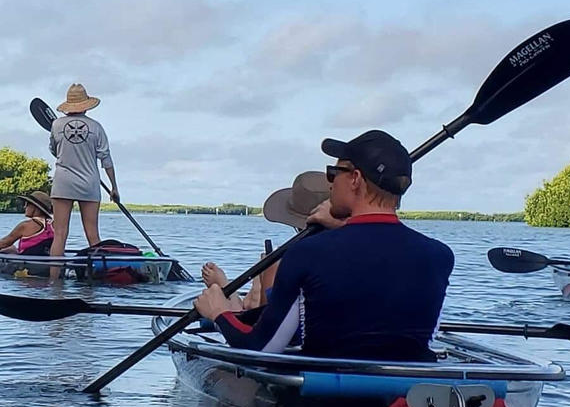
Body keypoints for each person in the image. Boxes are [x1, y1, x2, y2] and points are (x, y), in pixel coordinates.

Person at [191, 130, 454, 362]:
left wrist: (220, 314)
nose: (330, 183)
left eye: (333, 173)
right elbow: (377, 254)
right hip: (412, 403)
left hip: (326, 404)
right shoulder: (440, 255)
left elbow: (262, 347)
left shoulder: (307, 254)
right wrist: (342, 228)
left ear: (355, 179)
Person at [45, 84, 119, 269]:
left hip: (63, 182)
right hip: (89, 183)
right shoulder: (96, 127)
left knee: (60, 233)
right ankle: (97, 278)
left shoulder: (56, 125)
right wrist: (114, 187)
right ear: (86, 105)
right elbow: (106, 159)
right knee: (93, 234)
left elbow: (55, 150)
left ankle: (55, 282)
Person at [0, 192, 56, 256]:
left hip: (27, 259)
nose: (24, 207)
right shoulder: (53, 225)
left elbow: (5, 242)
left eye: (27, 204)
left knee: (7, 248)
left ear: (35, 207)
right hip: (44, 256)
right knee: (12, 248)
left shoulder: (25, 225)